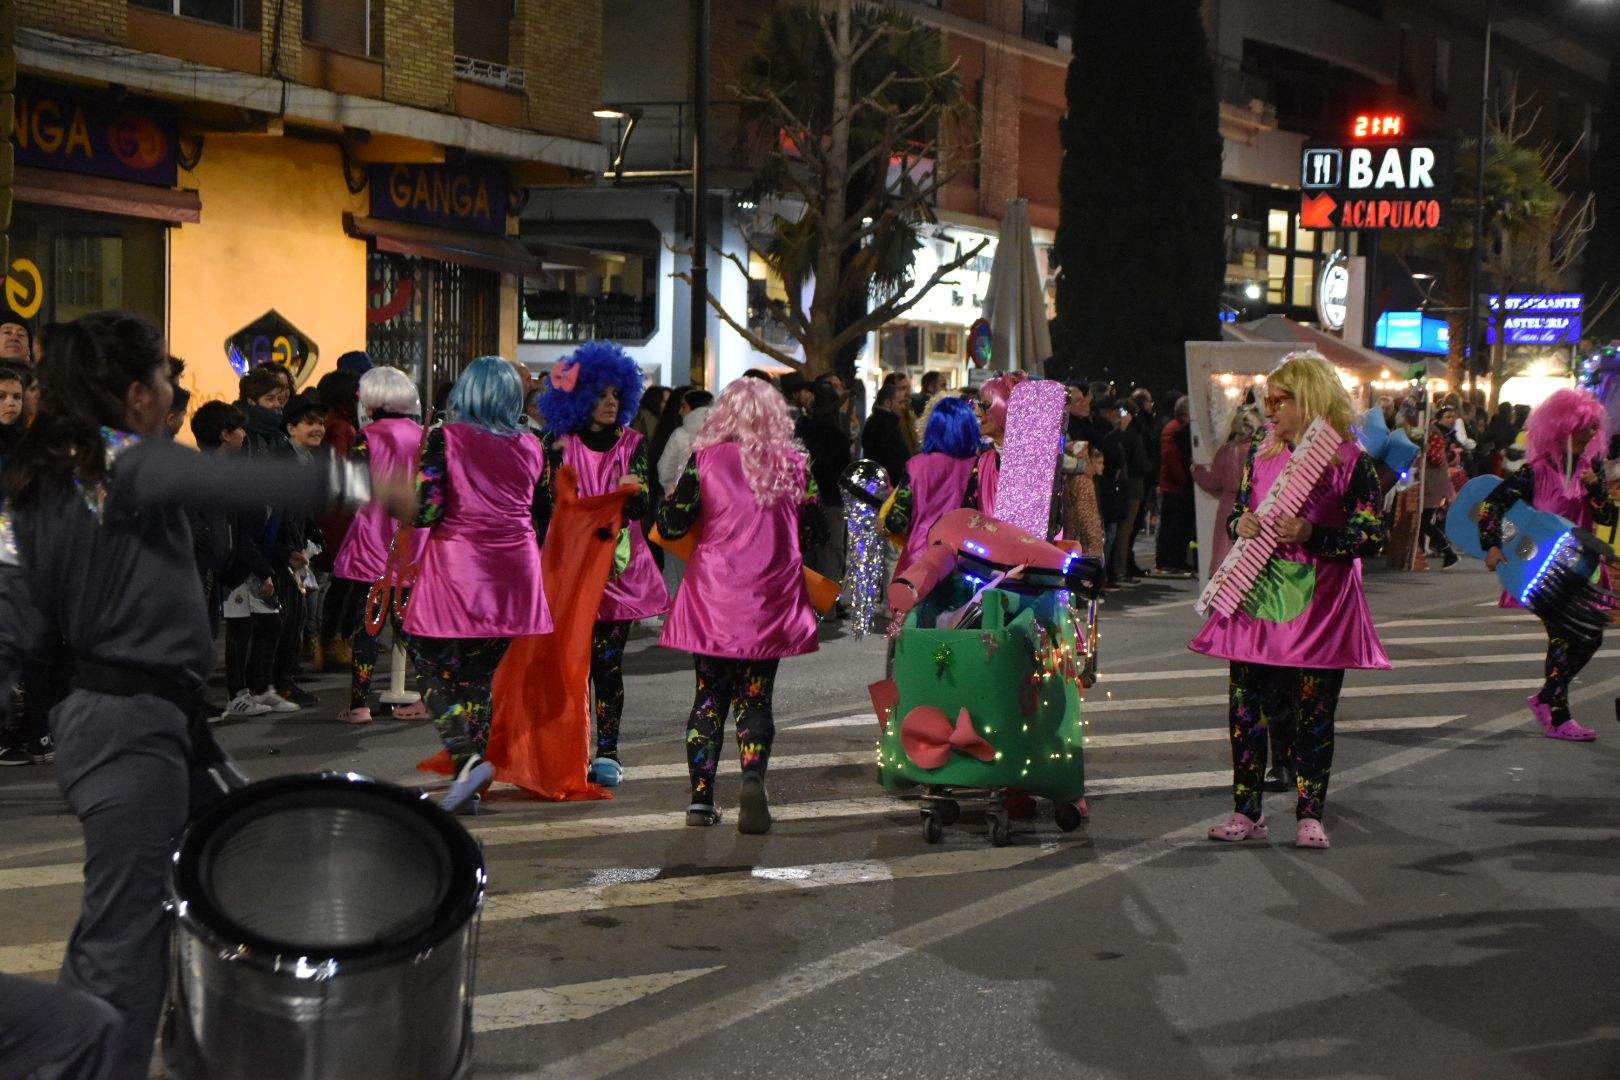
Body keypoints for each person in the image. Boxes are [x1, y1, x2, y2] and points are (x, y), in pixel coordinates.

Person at [0, 310, 405, 1080]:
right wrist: (368, 480)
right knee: (123, 936)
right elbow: (233, 476)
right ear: (133, 396)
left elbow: (8, 618)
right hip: (131, 730)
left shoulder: (38, 485)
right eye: (164, 378)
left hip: (150, 727)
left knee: (250, 859)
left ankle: (213, 1051)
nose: (173, 390)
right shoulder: (128, 464)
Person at [1190, 352, 1389, 850]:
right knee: (1246, 711)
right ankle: (1246, 812)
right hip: (1254, 602)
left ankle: (1310, 813)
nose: (1269, 410)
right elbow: (1237, 513)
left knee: (1314, 714)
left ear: (1312, 399)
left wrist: (1313, 533)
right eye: (1267, 400)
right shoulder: (1259, 450)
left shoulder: (1350, 461)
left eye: (1281, 400)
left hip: (1319, 610)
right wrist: (1244, 524)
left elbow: (1372, 536)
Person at [656, 376, 825, 833]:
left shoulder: (704, 460)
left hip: (713, 594)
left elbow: (671, 526)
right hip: (770, 596)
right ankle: (752, 774)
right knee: (756, 698)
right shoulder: (793, 465)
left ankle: (700, 800)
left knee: (709, 696)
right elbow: (813, 532)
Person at [406, 356, 552, 812]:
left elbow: (425, 511)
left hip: (459, 567)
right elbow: (540, 511)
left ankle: (466, 761)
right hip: (516, 569)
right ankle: (472, 785)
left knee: (429, 664)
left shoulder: (445, 440)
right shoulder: (533, 444)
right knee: (478, 678)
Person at [535, 341, 670, 787]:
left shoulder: (632, 443)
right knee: (568, 663)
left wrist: (631, 492)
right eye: (601, 394)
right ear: (579, 397)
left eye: (617, 395)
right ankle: (565, 746)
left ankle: (608, 751)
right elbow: (541, 509)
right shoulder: (558, 446)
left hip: (616, 571)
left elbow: (644, 505)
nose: (611, 403)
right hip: (569, 570)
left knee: (607, 665)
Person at [1477, 388, 1614, 742]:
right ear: (1562, 428)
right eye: (1581, 427)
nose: (1588, 434)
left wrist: (1597, 490)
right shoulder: (1533, 472)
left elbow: (1608, 516)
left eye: (1592, 428)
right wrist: (1491, 547)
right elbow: (1492, 506)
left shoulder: (1591, 469)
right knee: (1569, 635)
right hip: (1543, 567)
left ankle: (1548, 700)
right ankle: (1556, 712)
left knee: (1586, 636)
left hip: (1582, 566)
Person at [331, 366, 429, 725]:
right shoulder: (424, 435)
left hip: (373, 541)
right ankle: (430, 698)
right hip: (414, 541)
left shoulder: (365, 438)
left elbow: (351, 490)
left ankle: (359, 705)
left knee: (368, 627)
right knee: (410, 626)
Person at [882, 397, 982, 571]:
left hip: (917, 564)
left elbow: (895, 522)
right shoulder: (980, 467)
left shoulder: (915, 466)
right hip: (963, 562)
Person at [311, 369, 363, 668]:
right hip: (339, 515)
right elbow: (343, 470)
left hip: (332, 512)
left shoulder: (334, 423)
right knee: (345, 580)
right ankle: (333, 642)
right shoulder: (341, 426)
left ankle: (329, 641)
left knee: (340, 581)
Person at [1192, 404, 1263, 576]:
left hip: (1229, 505)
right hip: (1255, 503)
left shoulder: (1226, 451)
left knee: (1224, 552)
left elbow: (1212, 482)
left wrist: (1197, 470)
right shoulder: (1263, 450)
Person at [797, 380, 854, 592]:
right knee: (832, 551)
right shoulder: (837, 436)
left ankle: (808, 599)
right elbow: (843, 471)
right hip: (832, 498)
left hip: (805, 498)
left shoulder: (803, 430)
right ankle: (825, 602)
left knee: (809, 549)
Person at [1154, 396, 1195, 575]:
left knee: (1174, 525)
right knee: (1172, 526)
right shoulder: (1175, 430)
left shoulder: (1172, 428)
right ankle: (1169, 560)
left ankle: (1174, 560)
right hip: (1174, 485)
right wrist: (1184, 479)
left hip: (1172, 483)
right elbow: (1171, 458)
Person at [1422, 404, 1461, 568]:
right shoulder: (1435, 432)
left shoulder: (1436, 434)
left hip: (1433, 481)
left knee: (1424, 521)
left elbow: (1436, 459)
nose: (1451, 420)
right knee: (1423, 520)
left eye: (1453, 417)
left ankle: (1448, 552)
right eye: (1448, 417)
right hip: (1432, 480)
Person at [860, 375, 913, 487]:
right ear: (888, 403)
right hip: (888, 486)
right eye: (899, 403)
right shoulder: (885, 425)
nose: (902, 407)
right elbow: (893, 460)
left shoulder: (881, 422)